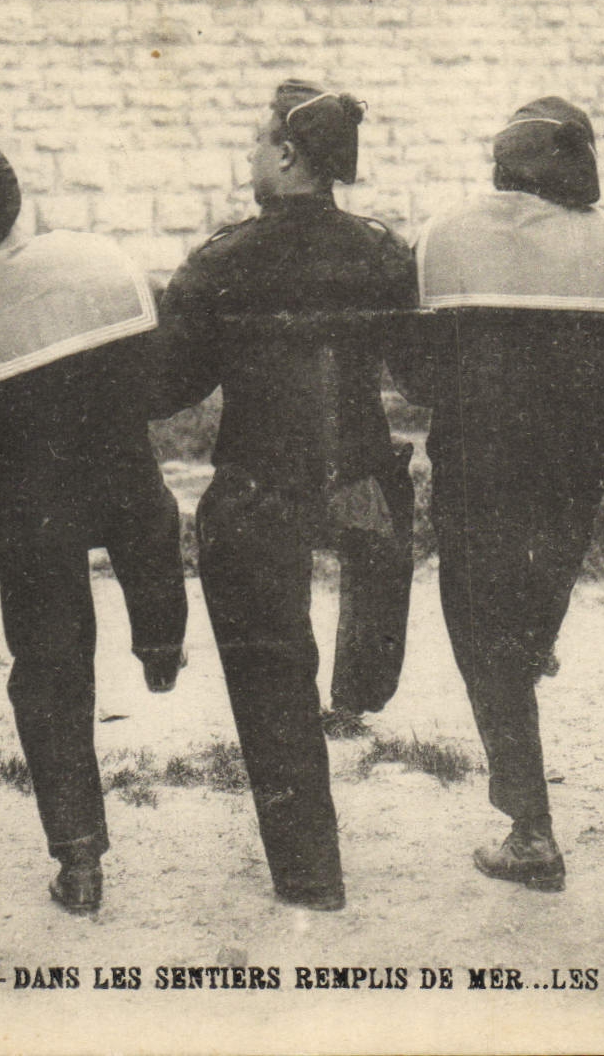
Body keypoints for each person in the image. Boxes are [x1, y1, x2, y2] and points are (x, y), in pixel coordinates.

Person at [0, 132, 188, 916]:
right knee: (151, 531)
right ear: (16, 194)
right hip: (125, 481)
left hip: (26, 511)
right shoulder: (98, 261)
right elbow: (159, 381)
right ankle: (162, 643)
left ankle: (80, 856)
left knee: (50, 664)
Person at [154, 79, 418, 910]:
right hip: (365, 479)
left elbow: (170, 387)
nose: (249, 156)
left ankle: (310, 873)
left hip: (261, 485)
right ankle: (365, 677)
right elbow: (413, 369)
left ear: (289, 156)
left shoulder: (221, 261)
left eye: (257, 141)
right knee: (359, 624)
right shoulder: (382, 252)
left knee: (269, 670)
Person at [398, 98, 604, 891]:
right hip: (579, 453)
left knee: (480, 626)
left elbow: (414, 371)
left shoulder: (443, 233)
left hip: (479, 456)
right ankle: (536, 634)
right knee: (537, 591)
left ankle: (531, 829)